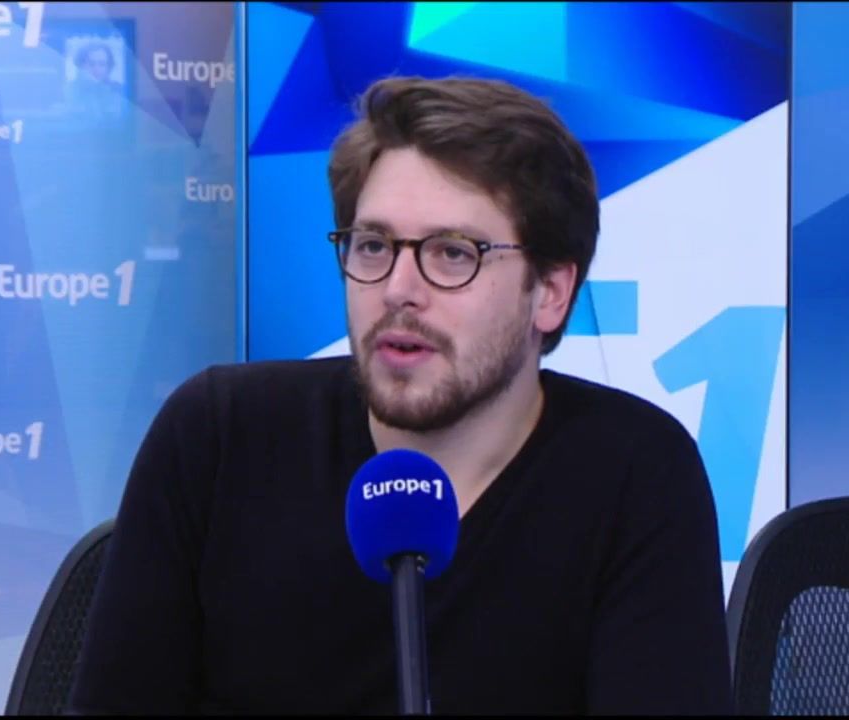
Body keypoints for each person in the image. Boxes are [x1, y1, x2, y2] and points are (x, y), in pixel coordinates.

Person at [67, 75, 733, 715]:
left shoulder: (633, 472)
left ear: (551, 292)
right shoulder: (219, 436)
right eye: (373, 245)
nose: (397, 290)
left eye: (452, 253)